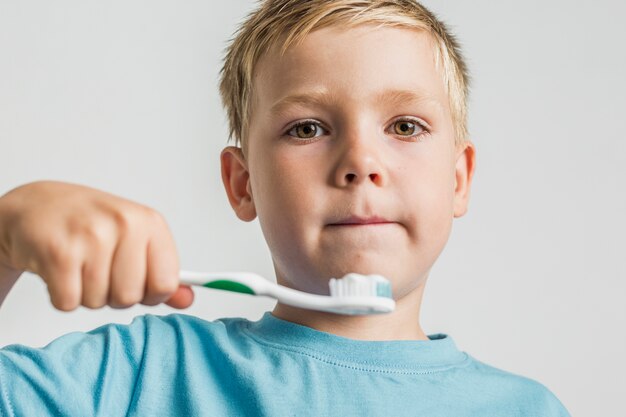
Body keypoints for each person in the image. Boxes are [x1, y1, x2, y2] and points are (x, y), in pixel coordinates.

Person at [0, 0, 572, 415]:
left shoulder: (528, 409)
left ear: (458, 178)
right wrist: (4, 236)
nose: (361, 162)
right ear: (242, 183)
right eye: (307, 128)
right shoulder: (137, 375)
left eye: (405, 125)